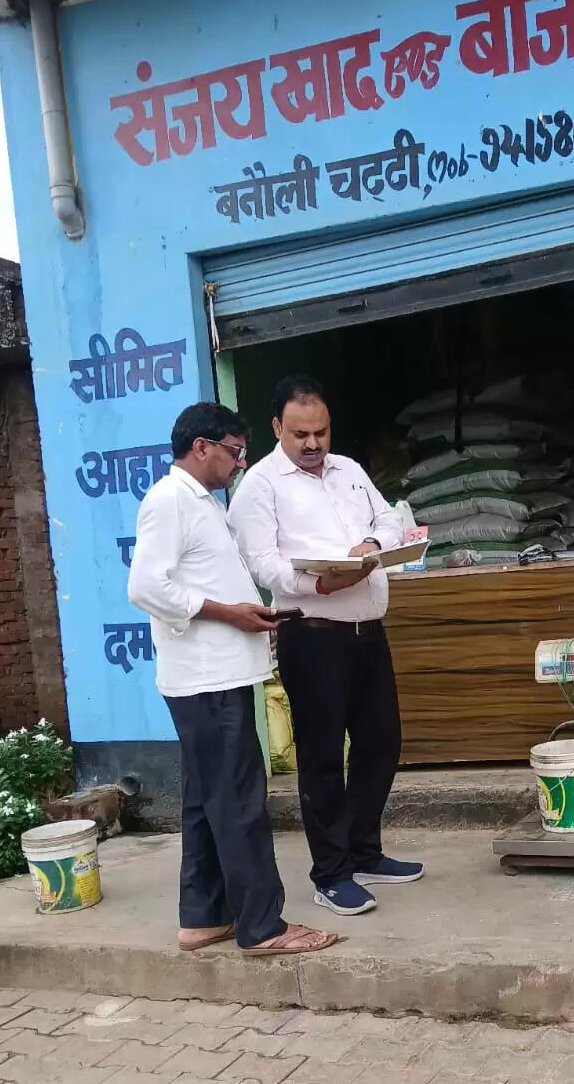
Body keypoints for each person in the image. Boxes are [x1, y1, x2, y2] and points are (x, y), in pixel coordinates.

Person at [127, 401, 337, 958]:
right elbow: (146, 587)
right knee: (240, 804)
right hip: (206, 682)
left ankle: (202, 917)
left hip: (214, 674)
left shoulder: (199, 502)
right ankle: (264, 926)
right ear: (202, 447)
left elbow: (202, 582)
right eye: (235, 452)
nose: (239, 464)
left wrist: (252, 618)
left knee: (206, 802)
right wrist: (231, 615)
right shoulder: (170, 500)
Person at [229, 375, 422, 917]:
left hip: (367, 630)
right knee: (321, 759)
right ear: (276, 428)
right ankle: (330, 873)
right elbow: (261, 562)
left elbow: (389, 518)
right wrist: (317, 583)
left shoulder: (350, 470)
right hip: (312, 637)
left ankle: (364, 852)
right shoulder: (260, 486)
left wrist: (373, 544)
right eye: (300, 435)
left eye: (321, 432)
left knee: (381, 743)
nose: (313, 445)